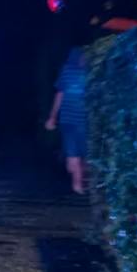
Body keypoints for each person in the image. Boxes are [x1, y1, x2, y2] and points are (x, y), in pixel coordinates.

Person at [45, 48, 90, 194]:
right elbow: (60, 94)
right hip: (69, 121)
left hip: (85, 121)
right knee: (73, 155)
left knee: (84, 156)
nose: (84, 59)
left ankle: (82, 182)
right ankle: (77, 184)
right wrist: (52, 117)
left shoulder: (92, 71)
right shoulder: (67, 70)